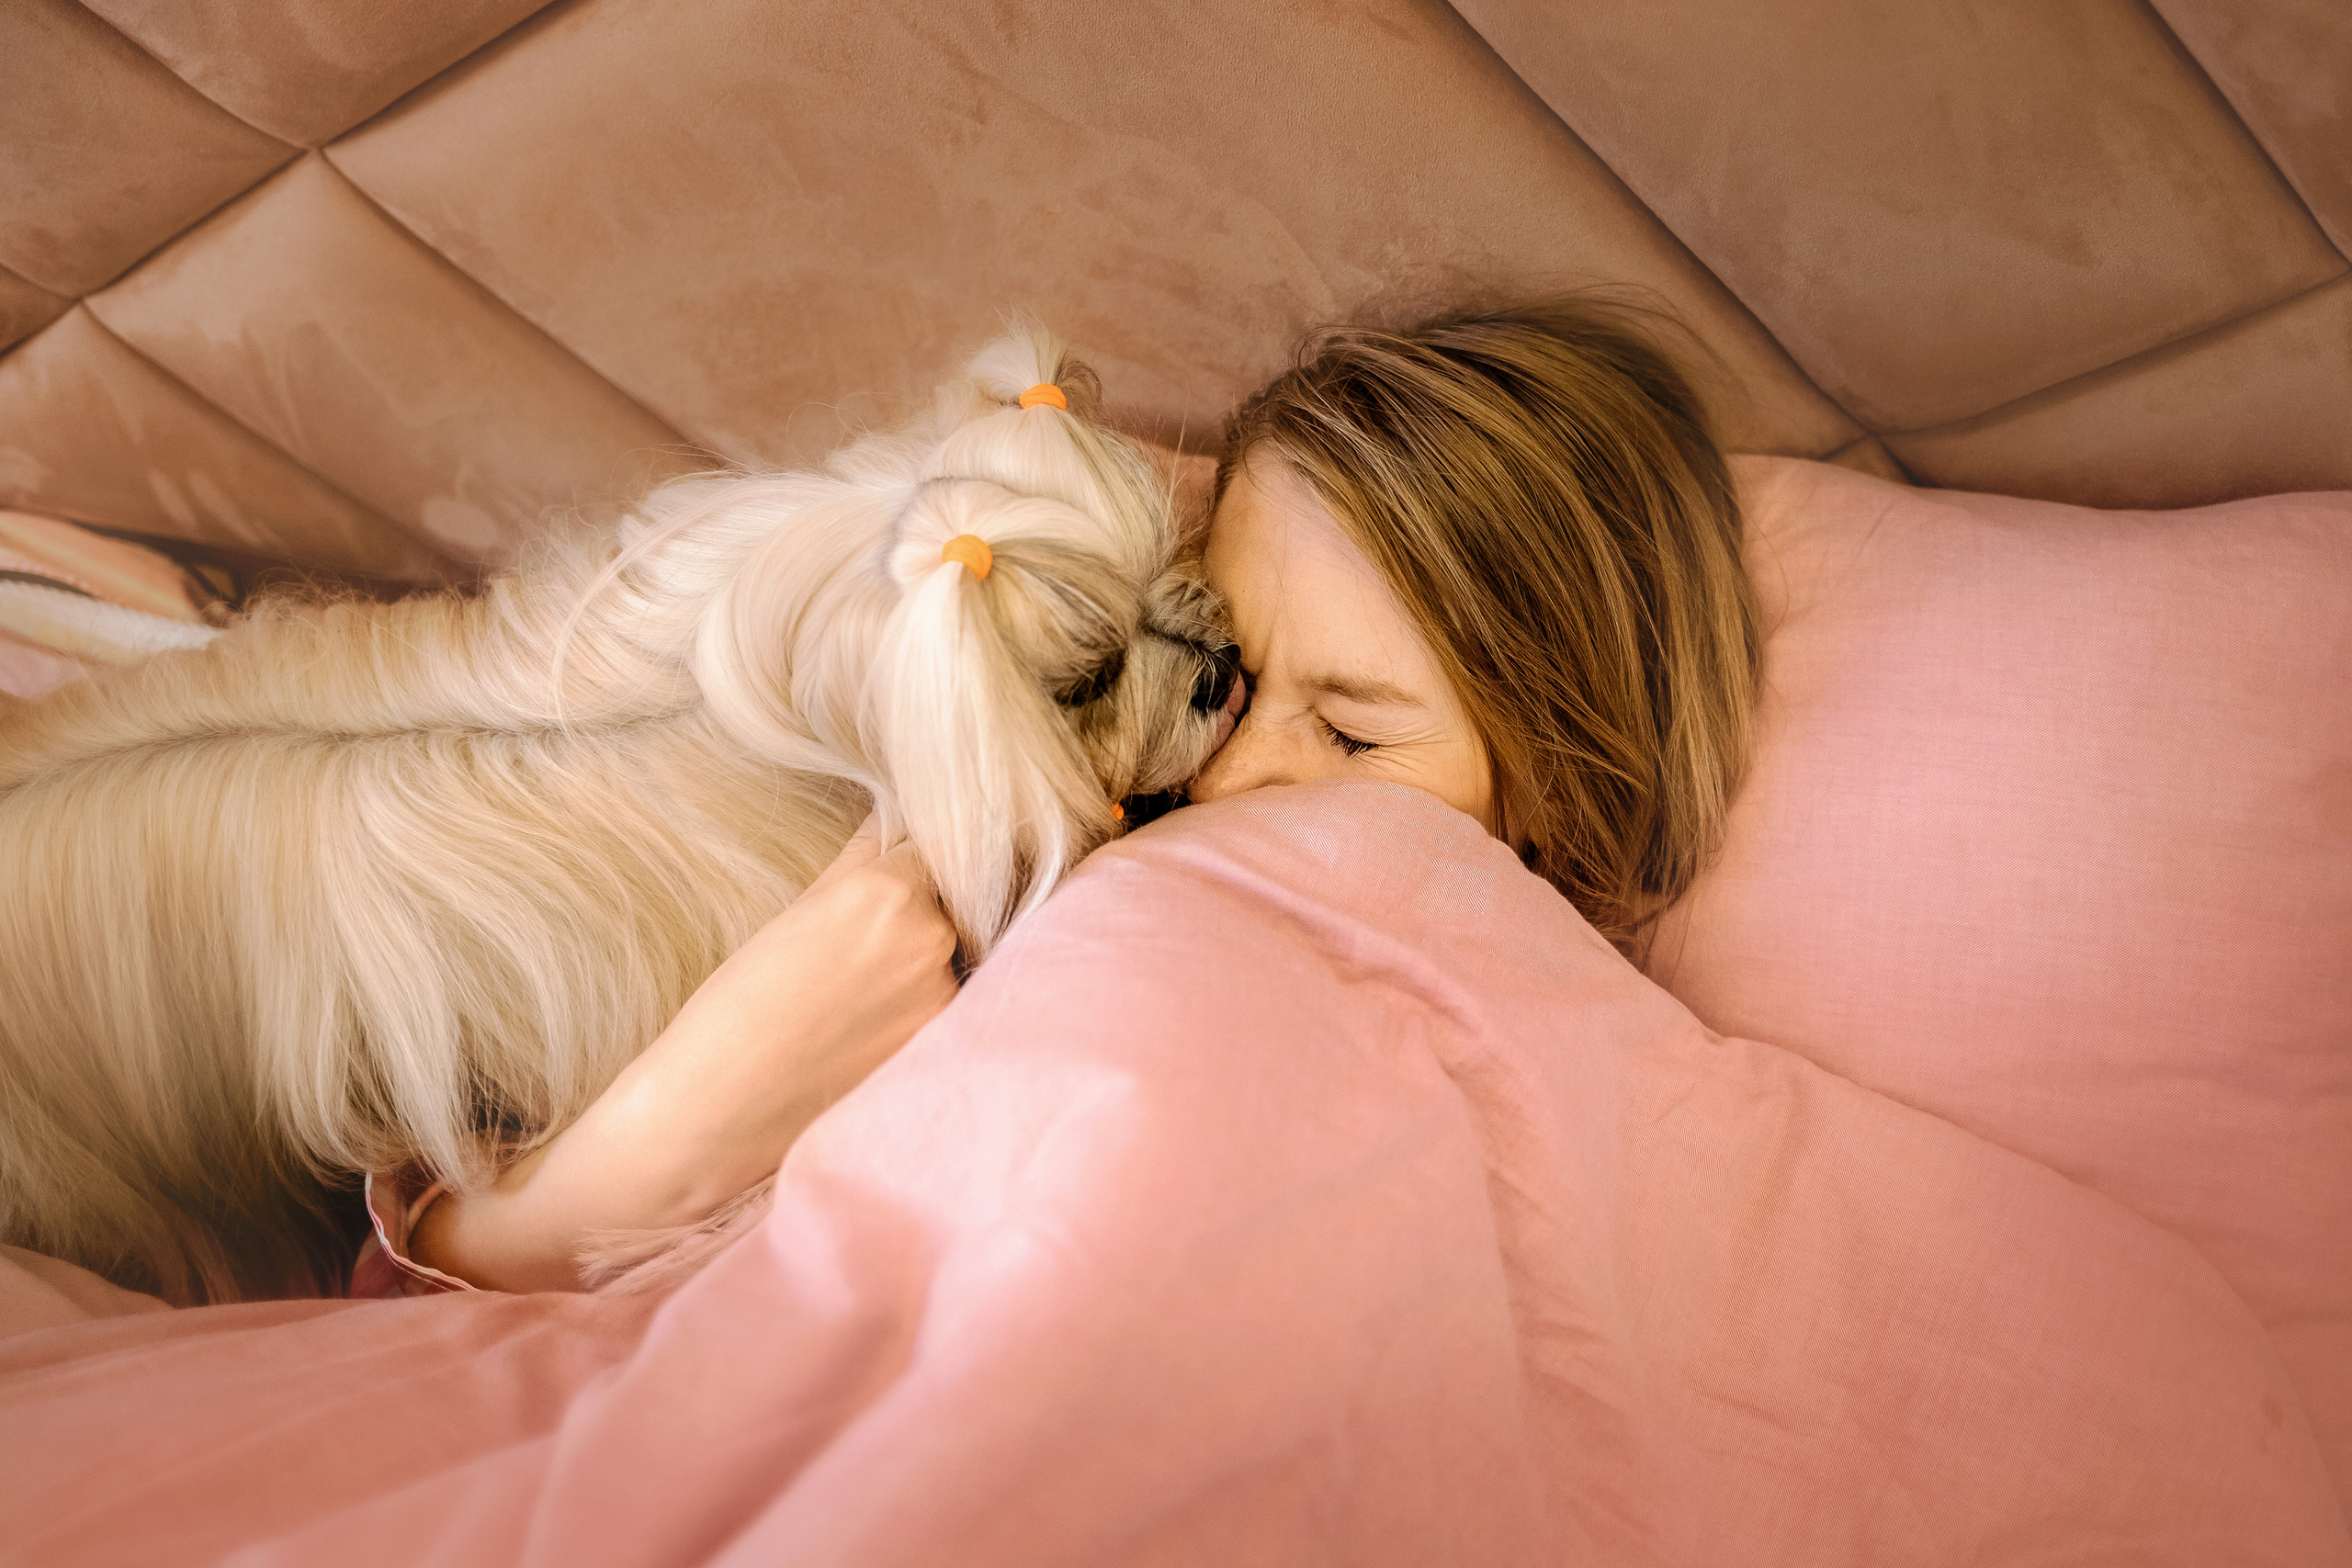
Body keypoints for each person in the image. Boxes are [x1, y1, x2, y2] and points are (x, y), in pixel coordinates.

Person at [395, 297, 1759, 1293]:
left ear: (1565, 792)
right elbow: (397, 1314)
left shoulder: (1593, 1106)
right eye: (1218, 667)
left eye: (1351, 737)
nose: (1223, 775)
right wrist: (646, 1151)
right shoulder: (976, 866)